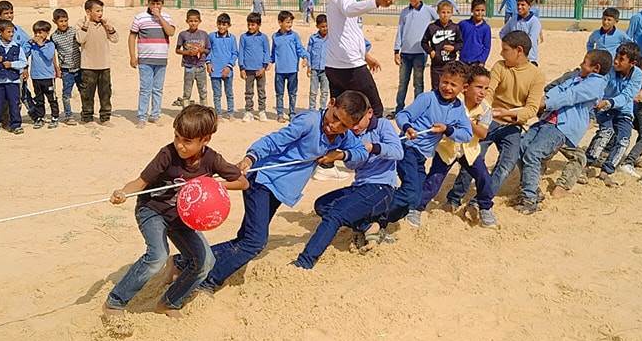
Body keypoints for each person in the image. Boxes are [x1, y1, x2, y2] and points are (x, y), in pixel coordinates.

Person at [185, 90, 371, 292]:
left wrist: (339, 155)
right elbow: (274, 141)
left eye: (343, 125)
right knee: (255, 242)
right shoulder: (309, 121)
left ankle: (183, 262)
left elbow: (361, 153)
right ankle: (208, 281)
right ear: (331, 103)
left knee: (245, 239)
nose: (334, 126)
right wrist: (250, 158)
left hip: (279, 191)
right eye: (335, 117)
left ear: (351, 127)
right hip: (262, 181)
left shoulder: (342, 136)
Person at [104, 105, 249, 324]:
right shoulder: (167, 154)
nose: (180, 145)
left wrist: (209, 184)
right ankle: (115, 302)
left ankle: (168, 302)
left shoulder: (212, 159)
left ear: (205, 140)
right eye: (177, 137)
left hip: (182, 217)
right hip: (153, 210)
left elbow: (242, 182)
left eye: (187, 141)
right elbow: (140, 183)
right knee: (157, 256)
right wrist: (123, 192)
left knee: (206, 261)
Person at [448, 31, 545, 206]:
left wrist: (505, 113)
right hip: (490, 120)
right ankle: (454, 198)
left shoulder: (537, 75)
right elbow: (489, 92)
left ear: (519, 50)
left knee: (507, 164)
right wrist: (485, 113)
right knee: (473, 156)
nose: (501, 53)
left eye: (505, 50)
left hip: (512, 126)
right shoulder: (500, 66)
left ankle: (481, 200)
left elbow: (531, 109)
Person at [294, 115, 404, 268]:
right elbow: (351, 166)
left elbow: (398, 152)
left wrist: (372, 147)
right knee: (322, 205)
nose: (355, 127)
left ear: (369, 113)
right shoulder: (350, 134)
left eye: (358, 122)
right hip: (359, 186)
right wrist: (341, 156)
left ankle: (304, 262)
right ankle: (367, 226)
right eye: (352, 124)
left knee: (335, 215)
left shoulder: (382, 125)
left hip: (382, 187)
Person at [516, 49, 611, 214]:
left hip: (562, 127)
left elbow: (570, 96)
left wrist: (544, 104)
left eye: (585, 62)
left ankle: (529, 198)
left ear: (596, 68)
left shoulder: (595, 84)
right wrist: (539, 101)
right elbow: (558, 89)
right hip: (548, 120)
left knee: (533, 154)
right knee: (520, 147)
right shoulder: (577, 77)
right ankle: (533, 189)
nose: (581, 64)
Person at [394, 61, 474, 228]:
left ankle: (405, 210)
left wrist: (447, 129)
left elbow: (467, 135)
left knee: (418, 192)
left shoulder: (459, 109)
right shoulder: (427, 98)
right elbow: (402, 115)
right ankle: (383, 213)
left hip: (422, 156)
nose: (447, 87)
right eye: (445, 82)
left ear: (464, 88)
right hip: (408, 149)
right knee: (411, 188)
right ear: (439, 79)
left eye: (453, 85)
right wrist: (407, 127)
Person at [420, 65, 497, 227]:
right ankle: (416, 208)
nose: (482, 92)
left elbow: (483, 133)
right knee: (434, 180)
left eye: (486, 88)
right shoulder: (454, 102)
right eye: (478, 87)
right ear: (466, 88)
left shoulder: (485, 108)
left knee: (484, 178)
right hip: (447, 149)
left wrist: (465, 121)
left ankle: (485, 207)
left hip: (469, 150)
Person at [324, 0, 394, 120]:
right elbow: (350, 9)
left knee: (341, 115)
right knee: (374, 110)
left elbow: (349, 33)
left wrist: (366, 56)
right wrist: (375, 2)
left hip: (336, 66)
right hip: (350, 68)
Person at [584, 41, 642, 187]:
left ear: (632, 63)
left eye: (621, 59)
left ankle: (607, 171)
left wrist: (608, 102)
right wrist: (599, 103)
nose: (616, 61)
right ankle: (585, 165)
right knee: (606, 132)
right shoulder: (609, 70)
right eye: (616, 56)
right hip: (605, 109)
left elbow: (627, 96)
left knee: (624, 140)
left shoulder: (638, 74)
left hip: (623, 110)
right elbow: (600, 86)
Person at [129, 0, 175, 128]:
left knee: (157, 89)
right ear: (148, 3)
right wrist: (132, 56)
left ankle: (155, 115)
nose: (155, 6)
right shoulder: (140, 18)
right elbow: (132, 36)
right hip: (145, 60)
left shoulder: (167, 17)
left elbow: (171, 32)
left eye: (158, 3)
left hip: (161, 60)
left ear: (162, 3)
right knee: (145, 89)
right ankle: (142, 116)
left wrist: (159, 17)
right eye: (153, 3)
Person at [393, 0, 437, 116]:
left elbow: (438, 24)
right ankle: (399, 108)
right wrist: (396, 50)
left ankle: (418, 110)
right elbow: (400, 30)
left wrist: (433, 44)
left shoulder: (429, 11)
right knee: (402, 83)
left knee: (418, 83)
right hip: (405, 53)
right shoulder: (404, 12)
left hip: (420, 53)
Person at [76, 0, 118, 125]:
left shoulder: (104, 24)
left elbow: (115, 39)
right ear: (88, 12)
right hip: (88, 66)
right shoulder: (81, 23)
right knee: (87, 93)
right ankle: (87, 117)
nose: (100, 14)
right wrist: (86, 24)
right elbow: (80, 39)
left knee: (105, 93)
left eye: (101, 11)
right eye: (97, 11)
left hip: (104, 65)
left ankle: (105, 117)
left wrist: (108, 27)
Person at [0, 20, 27, 135]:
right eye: (9, 32)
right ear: (0, 33)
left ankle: (16, 124)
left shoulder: (17, 47)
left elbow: (23, 62)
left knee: (14, 103)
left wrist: (12, 64)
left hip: (13, 81)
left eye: (12, 32)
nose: (11, 34)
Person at [271, 10, 309, 122]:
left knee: (292, 93)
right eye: (287, 22)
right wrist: (269, 62)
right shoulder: (275, 36)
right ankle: (280, 114)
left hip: (292, 70)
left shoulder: (294, 36)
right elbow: (273, 52)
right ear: (280, 22)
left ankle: (292, 113)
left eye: (291, 22)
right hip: (279, 71)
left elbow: (300, 49)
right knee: (279, 94)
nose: (290, 25)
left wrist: (305, 57)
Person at [24, 20, 61, 129]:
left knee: (52, 98)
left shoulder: (50, 44)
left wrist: (40, 45)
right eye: (36, 33)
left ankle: (55, 117)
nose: (38, 35)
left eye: (40, 32)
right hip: (36, 76)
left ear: (47, 33)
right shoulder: (33, 45)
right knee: (39, 99)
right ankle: (40, 117)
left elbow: (49, 56)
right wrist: (29, 43)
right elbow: (25, 53)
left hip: (48, 77)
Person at [421, 0, 464, 91]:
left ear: (452, 13)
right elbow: (423, 42)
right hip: (437, 65)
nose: (445, 15)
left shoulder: (455, 27)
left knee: (449, 88)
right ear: (438, 13)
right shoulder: (432, 27)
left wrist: (454, 48)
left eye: (448, 12)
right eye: (443, 12)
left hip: (450, 64)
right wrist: (430, 51)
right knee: (436, 88)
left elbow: (460, 43)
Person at [50, 8, 81, 126]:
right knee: (66, 94)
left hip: (79, 67)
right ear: (55, 22)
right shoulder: (54, 37)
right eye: (61, 21)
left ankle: (86, 113)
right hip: (66, 70)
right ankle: (68, 115)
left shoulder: (74, 31)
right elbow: (53, 53)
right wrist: (57, 68)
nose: (64, 23)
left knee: (84, 91)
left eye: (65, 20)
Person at [239, 12, 270, 122]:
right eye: (249, 24)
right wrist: (242, 68)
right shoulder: (243, 37)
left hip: (260, 69)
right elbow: (241, 52)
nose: (250, 27)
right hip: (248, 70)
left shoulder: (263, 38)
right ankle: (249, 111)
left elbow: (266, 52)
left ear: (259, 25)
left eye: (253, 25)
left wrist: (264, 67)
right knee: (248, 92)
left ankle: (262, 111)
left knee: (261, 91)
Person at [176, 9, 210, 108]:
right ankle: (186, 111)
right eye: (191, 21)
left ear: (200, 21)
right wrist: (187, 52)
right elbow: (177, 50)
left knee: (203, 91)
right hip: (188, 67)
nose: (193, 23)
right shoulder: (183, 34)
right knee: (187, 92)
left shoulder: (204, 34)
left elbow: (208, 50)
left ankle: (204, 110)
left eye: (195, 21)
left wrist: (201, 50)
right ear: (187, 21)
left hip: (201, 67)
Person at [206, 13, 237, 120]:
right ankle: (218, 113)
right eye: (219, 24)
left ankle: (230, 113)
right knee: (217, 94)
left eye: (224, 24)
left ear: (229, 25)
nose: (221, 27)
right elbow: (208, 50)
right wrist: (208, 63)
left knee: (229, 93)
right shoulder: (211, 36)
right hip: (215, 70)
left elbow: (235, 53)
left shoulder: (232, 38)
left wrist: (229, 67)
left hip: (228, 71)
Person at [499, 0, 542, 65]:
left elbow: (531, 41)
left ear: (529, 6)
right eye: (518, 4)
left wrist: (515, 45)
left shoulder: (534, 22)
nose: (519, 7)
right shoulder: (513, 19)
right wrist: (509, 45)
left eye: (522, 5)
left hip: (529, 59)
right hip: (513, 59)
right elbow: (502, 33)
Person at [306, 14, 330, 111]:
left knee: (324, 91)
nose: (325, 28)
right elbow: (309, 52)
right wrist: (308, 66)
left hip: (326, 69)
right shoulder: (313, 38)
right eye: (322, 26)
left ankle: (322, 109)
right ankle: (312, 109)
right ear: (317, 26)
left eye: (326, 26)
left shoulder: (331, 38)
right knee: (313, 91)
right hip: (315, 69)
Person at [458, 0, 491, 67]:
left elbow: (487, 47)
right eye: (477, 10)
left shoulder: (486, 28)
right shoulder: (463, 24)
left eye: (482, 10)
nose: (480, 13)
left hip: (477, 63)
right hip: (463, 60)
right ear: (472, 10)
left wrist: (482, 60)